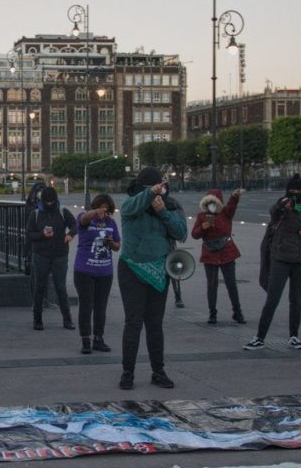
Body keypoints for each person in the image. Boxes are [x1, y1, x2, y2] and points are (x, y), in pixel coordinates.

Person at [118, 167, 187, 390]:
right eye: (152, 189)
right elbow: (130, 206)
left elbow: (181, 233)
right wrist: (149, 195)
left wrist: (163, 211)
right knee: (133, 322)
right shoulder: (132, 205)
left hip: (159, 271)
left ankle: (158, 371)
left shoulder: (172, 205)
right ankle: (127, 372)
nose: (158, 193)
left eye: (160, 188)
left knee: (155, 324)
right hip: (133, 269)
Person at [244, 174, 301, 351]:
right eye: (291, 190)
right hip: (281, 260)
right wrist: (281, 204)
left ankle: (294, 336)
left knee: (296, 300)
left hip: (300, 261)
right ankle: (259, 337)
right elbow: (273, 211)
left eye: (298, 190)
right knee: (272, 299)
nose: (295, 193)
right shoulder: (281, 211)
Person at [73, 194, 120, 354]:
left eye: (107, 209)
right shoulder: (86, 218)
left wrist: (110, 242)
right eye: (102, 207)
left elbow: (117, 246)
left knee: (101, 307)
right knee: (86, 306)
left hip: (104, 272)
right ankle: (86, 339)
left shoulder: (111, 223)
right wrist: (95, 212)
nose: (104, 211)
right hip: (84, 270)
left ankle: (98, 339)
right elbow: (83, 219)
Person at [191, 188, 246, 324]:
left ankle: (237, 312)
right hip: (210, 253)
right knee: (212, 285)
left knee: (231, 283)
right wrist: (203, 228)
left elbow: (232, 205)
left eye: (214, 202)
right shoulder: (202, 216)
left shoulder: (225, 213)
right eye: (209, 202)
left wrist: (234, 196)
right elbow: (194, 235)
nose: (212, 205)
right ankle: (212, 313)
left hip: (227, 251)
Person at [25, 186, 77, 331]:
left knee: (61, 288)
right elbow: (29, 234)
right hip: (40, 255)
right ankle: (37, 320)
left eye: (51, 202)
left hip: (60, 255)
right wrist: (42, 234)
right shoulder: (35, 214)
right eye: (46, 202)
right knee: (39, 287)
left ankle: (67, 320)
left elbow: (74, 224)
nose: (49, 205)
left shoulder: (62, 211)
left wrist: (70, 234)